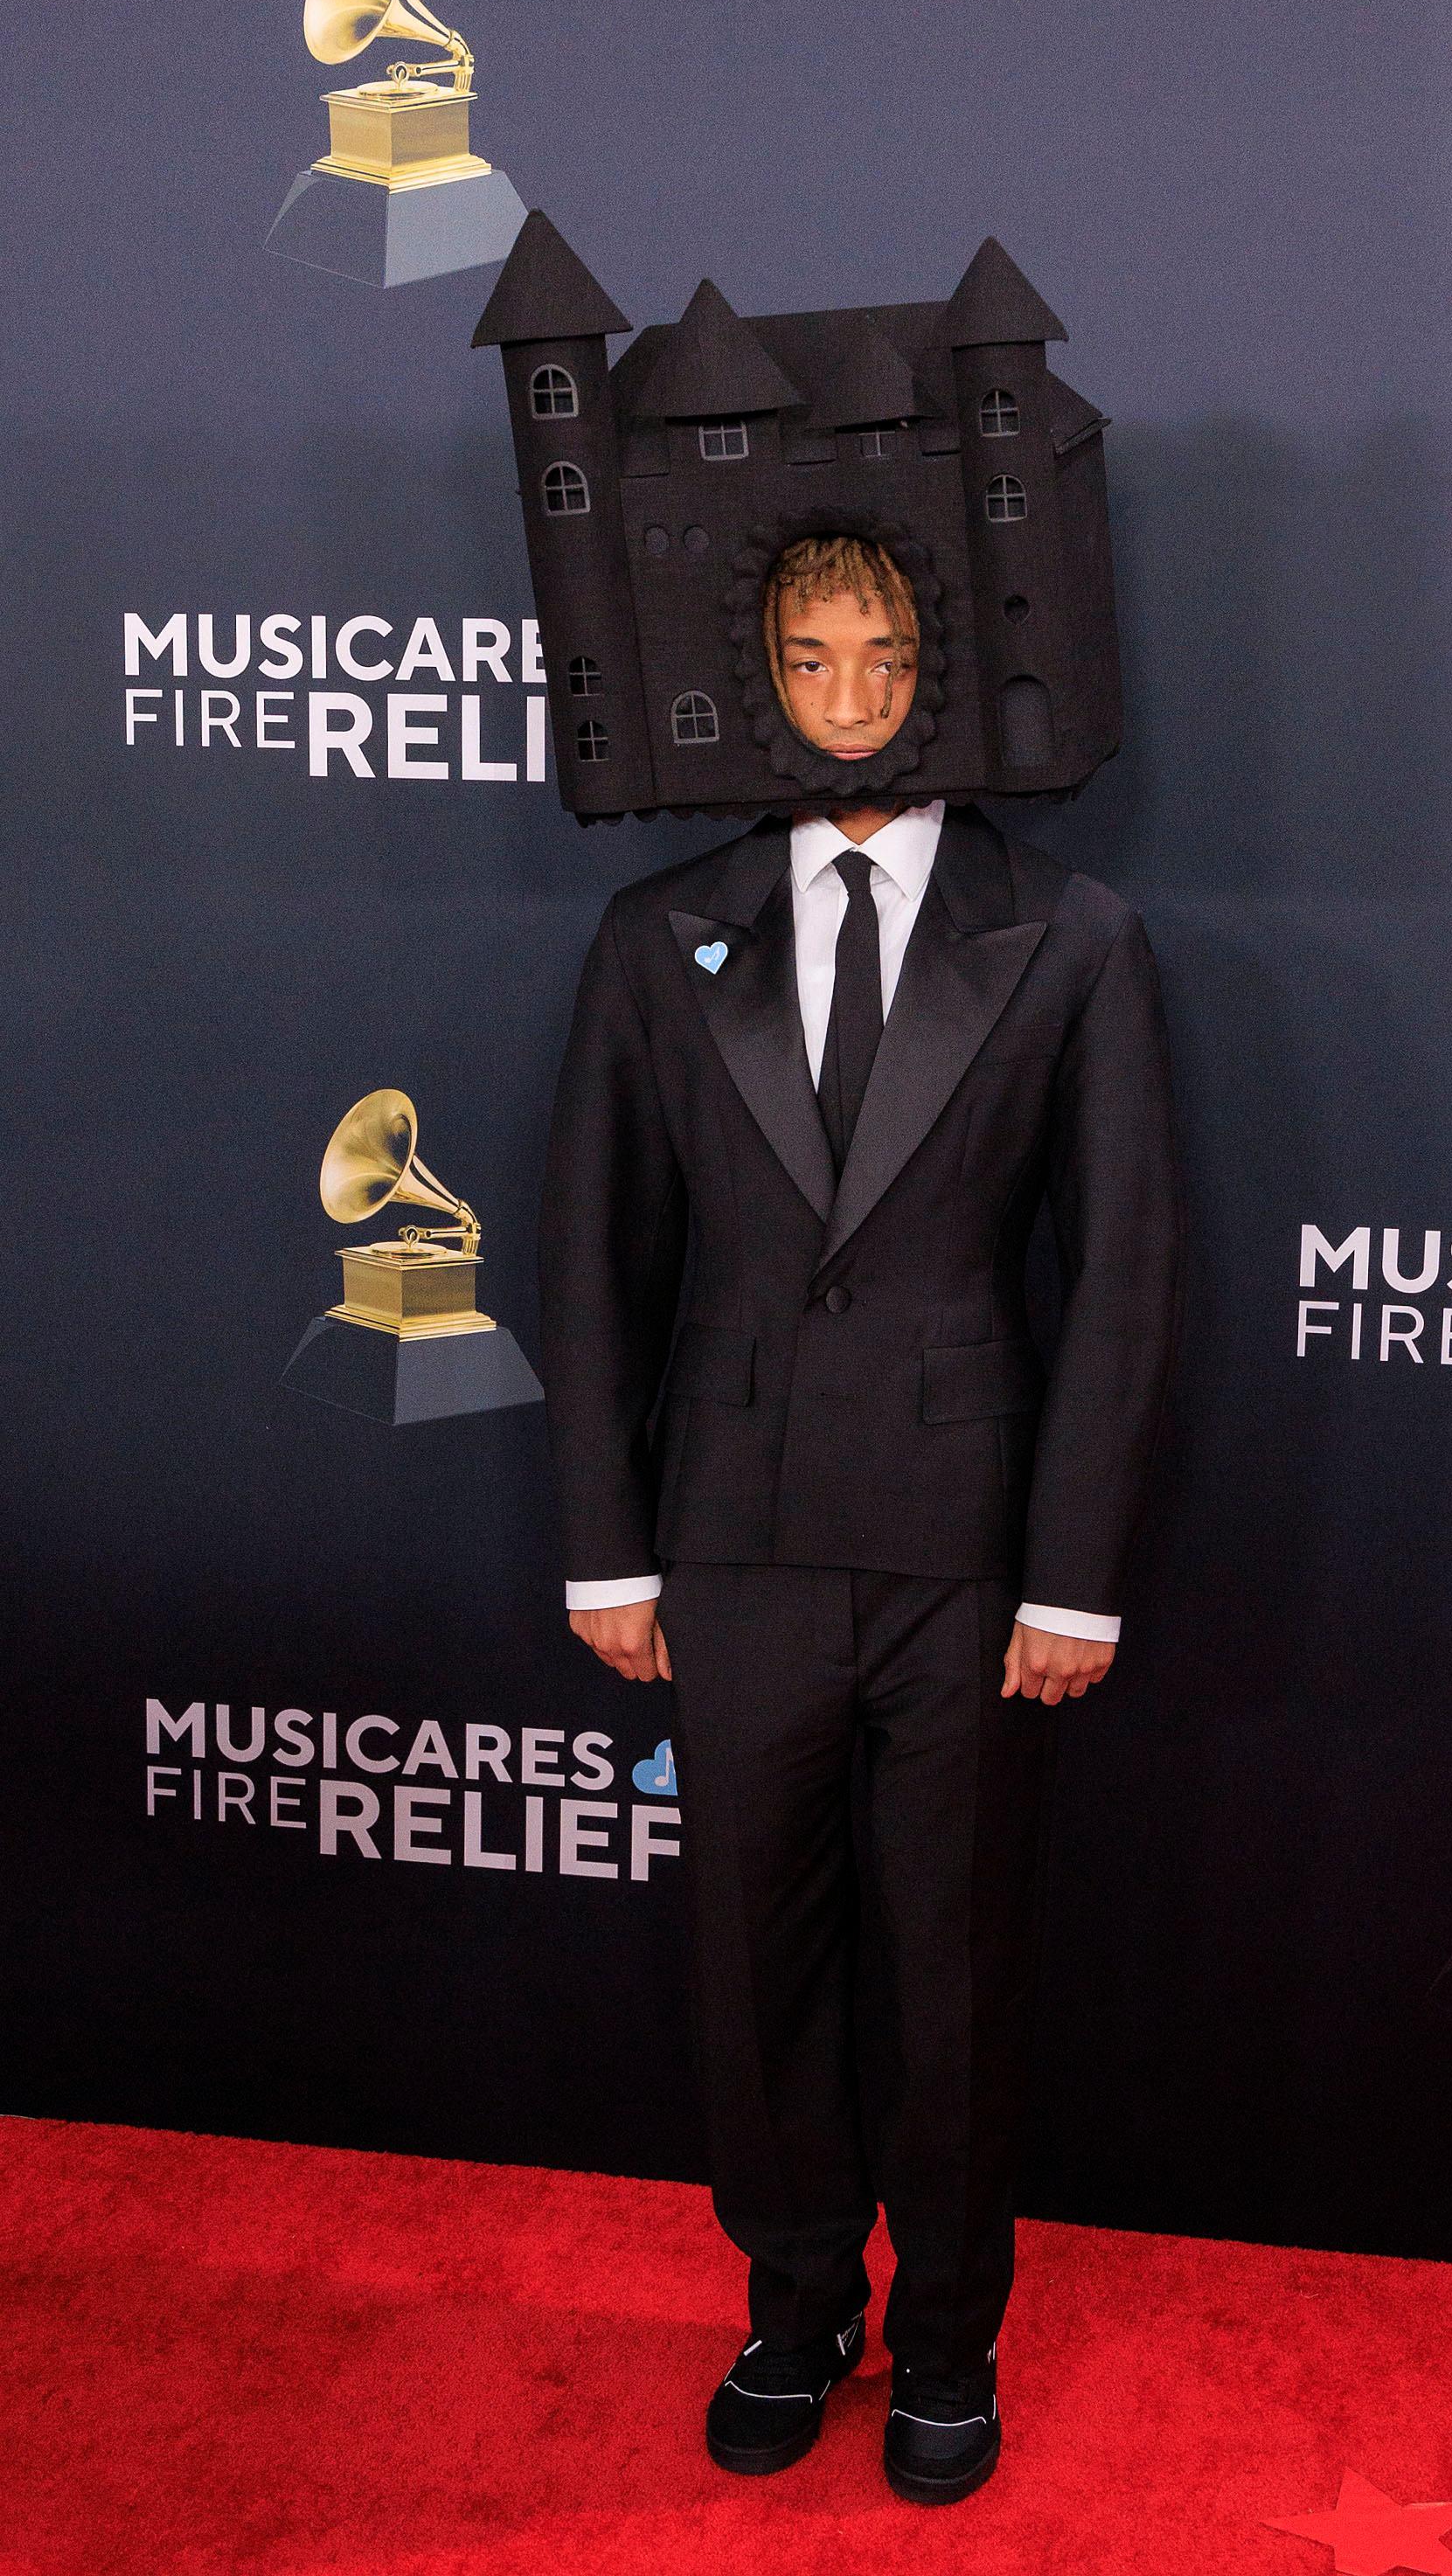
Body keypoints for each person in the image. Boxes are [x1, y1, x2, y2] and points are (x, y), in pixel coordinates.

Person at [543, 533, 1177, 2503]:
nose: (844, 690)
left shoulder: (1069, 935)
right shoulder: (661, 936)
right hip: (726, 1544)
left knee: (954, 1964)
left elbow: (1128, 1273)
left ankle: (948, 2338)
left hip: (969, 1554)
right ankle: (796, 2300)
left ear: (939, 670)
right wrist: (608, 1545)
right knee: (753, 1958)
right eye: (806, 657)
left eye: (879, 654)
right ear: (755, 675)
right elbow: (591, 1264)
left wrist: (1076, 1578)